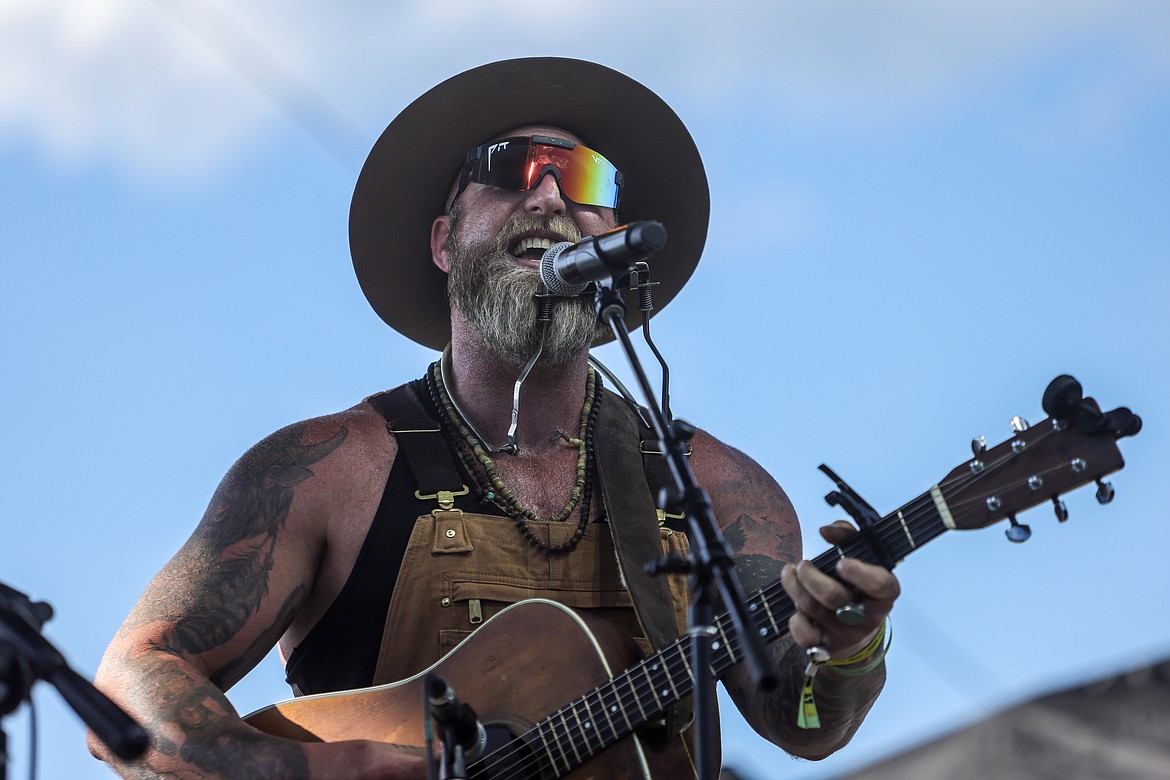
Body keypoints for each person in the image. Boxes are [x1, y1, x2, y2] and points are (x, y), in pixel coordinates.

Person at [91, 57, 900, 779]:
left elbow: (804, 724)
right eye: (512, 170)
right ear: (446, 242)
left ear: (614, 240)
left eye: (584, 181)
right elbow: (131, 683)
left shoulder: (715, 490)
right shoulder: (331, 468)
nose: (548, 194)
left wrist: (852, 647)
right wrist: (301, 773)